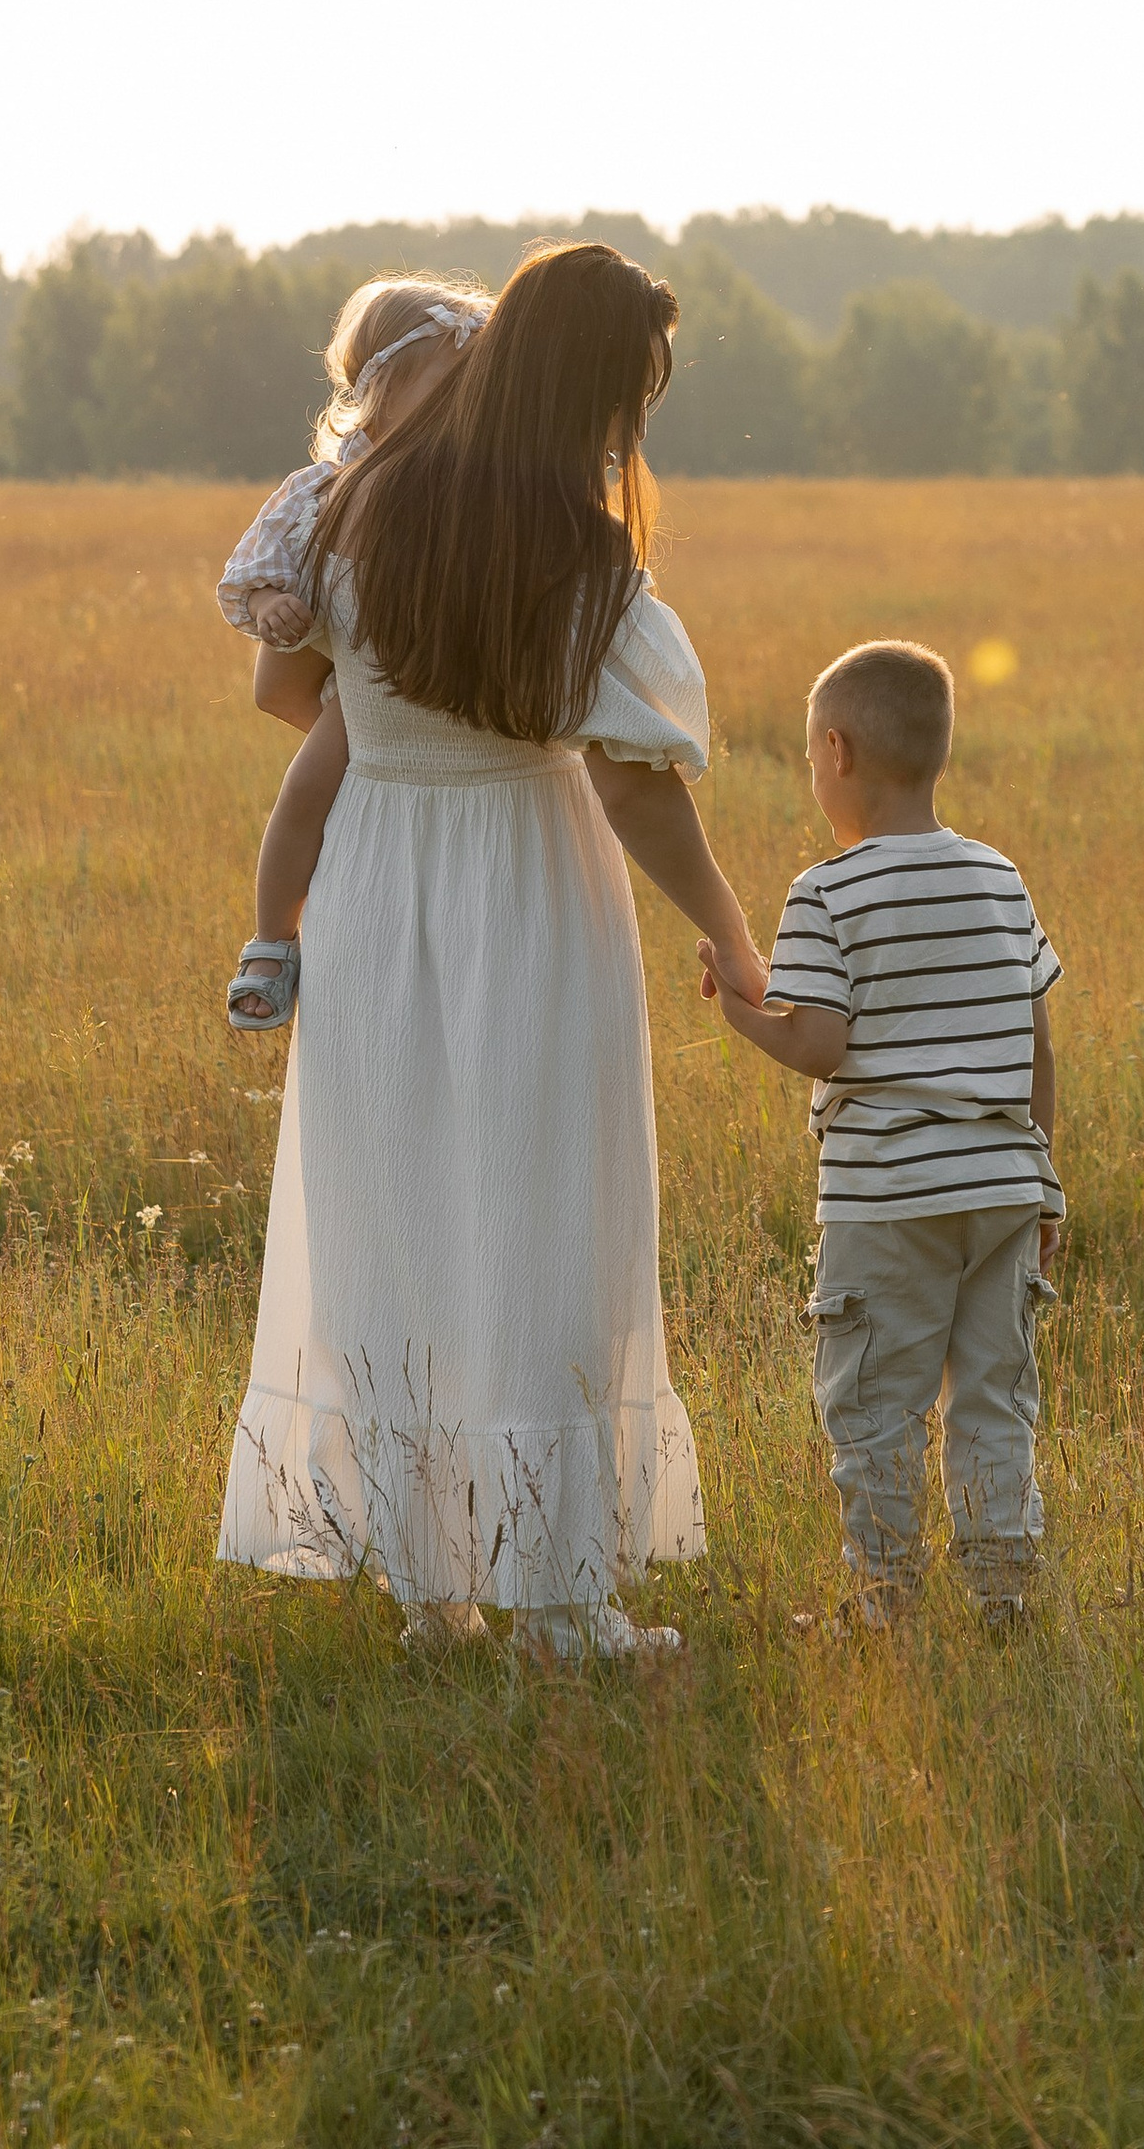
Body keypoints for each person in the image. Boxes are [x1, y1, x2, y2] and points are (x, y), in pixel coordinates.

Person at [217, 241, 768, 1662]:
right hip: (525, 880)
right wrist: (728, 924)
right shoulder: (576, 547)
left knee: (394, 1218)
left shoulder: (362, 503)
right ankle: (559, 1601)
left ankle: (432, 1589)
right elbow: (637, 786)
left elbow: (290, 684)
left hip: (373, 882)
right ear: (602, 388)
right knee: (542, 1220)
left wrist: (402, 742)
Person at [699, 638, 1063, 1623]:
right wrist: (1046, 1184)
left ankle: (887, 1597)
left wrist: (739, 1009)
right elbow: (1035, 1043)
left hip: (888, 1197)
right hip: (1001, 1189)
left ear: (836, 750)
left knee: (873, 1404)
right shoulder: (999, 878)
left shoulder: (828, 891)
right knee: (994, 1398)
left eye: (809, 758)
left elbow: (820, 1043)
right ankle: (1001, 1596)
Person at [215, 277, 491, 1031]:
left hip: (443, 714)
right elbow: (261, 577)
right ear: (384, 384)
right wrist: (274, 607)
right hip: (363, 696)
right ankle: (272, 940)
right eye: (449, 375)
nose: (469, 392)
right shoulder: (324, 490)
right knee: (304, 796)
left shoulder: (482, 480)